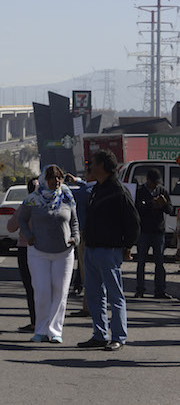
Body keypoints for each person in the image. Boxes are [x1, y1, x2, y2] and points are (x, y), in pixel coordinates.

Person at [77, 149, 140, 352]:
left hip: (109, 251)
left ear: (102, 166)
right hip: (92, 249)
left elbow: (134, 223)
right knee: (94, 295)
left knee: (115, 296)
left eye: (93, 163)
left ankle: (119, 337)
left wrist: (127, 246)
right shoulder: (97, 189)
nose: (90, 167)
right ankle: (99, 335)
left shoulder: (118, 191)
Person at [17, 165, 79, 343]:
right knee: (42, 291)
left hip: (64, 253)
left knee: (60, 292)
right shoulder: (33, 199)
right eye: (53, 178)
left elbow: (74, 220)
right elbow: (21, 218)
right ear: (45, 179)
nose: (57, 181)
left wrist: (76, 237)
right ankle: (41, 330)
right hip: (39, 253)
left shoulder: (67, 196)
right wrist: (28, 236)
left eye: (59, 178)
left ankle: (55, 331)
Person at [134, 168, 172, 299]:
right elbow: (137, 209)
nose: (156, 185)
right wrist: (151, 203)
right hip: (144, 231)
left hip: (158, 231)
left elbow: (170, 210)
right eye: (154, 182)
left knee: (159, 262)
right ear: (147, 180)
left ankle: (159, 290)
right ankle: (140, 289)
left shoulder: (162, 191)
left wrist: (164, 204)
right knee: (141, 261)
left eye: (157, 183)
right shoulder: (140, 191)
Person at [6, 177, 38, 333]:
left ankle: (35, 322)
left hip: (25, 249)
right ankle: (45, 322)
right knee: (43, 287)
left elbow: (11, 227)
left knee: (30, 287)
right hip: (45, 250)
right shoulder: (50, 203)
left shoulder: (27, 204)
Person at [65, 165, 96, 317]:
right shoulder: (99, 187)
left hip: (84, 234)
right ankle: (89, 306)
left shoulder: (85, 192)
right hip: (97, 235)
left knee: (86, 272)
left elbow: (71, 194)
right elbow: (87, 185)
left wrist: (61, 186)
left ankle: (88, 307)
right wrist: (76, 180)